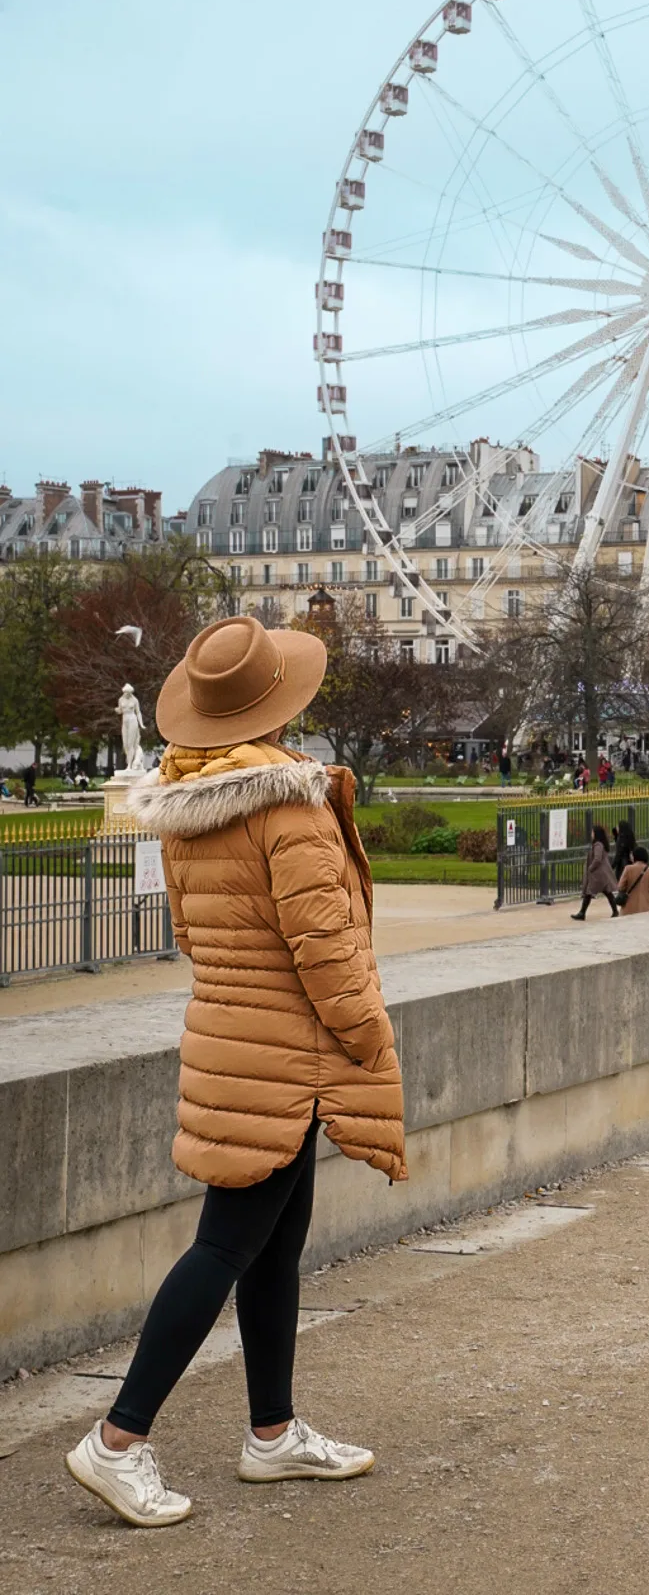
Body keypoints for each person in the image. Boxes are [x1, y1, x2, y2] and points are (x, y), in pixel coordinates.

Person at [65, 615, 406, 1529]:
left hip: (227, 1034)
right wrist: (367, 1038)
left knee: (269, 1244)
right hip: (287, 1052)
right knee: (227, 1243)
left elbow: (194, 936)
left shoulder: (184, 805)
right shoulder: (287, 805)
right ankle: (117, 1441)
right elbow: (326, 949)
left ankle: (272, 1430)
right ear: (279, 703)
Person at [572, 822, 620, 921]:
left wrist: (591, 868)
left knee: (589, 893)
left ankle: (582, 913)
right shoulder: (601, 844)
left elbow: (597, 859)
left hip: (598, 874)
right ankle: (615, 911)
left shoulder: (598, 845)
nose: (591, 834)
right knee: (607, 893)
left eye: (592, 832)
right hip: (602, 874)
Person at [617, 844, 649, 915]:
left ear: (635, 856)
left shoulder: (628, 869)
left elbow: (620, 887)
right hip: (645, 909)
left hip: (628, 909)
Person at [610, 818, 635, 883]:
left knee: (622, 882)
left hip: (623, 864)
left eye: (618, 826)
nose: (616, 828)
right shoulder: (630, 836)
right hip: (630, 863)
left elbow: (618, 854)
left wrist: (612, 866)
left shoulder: (621, 839)